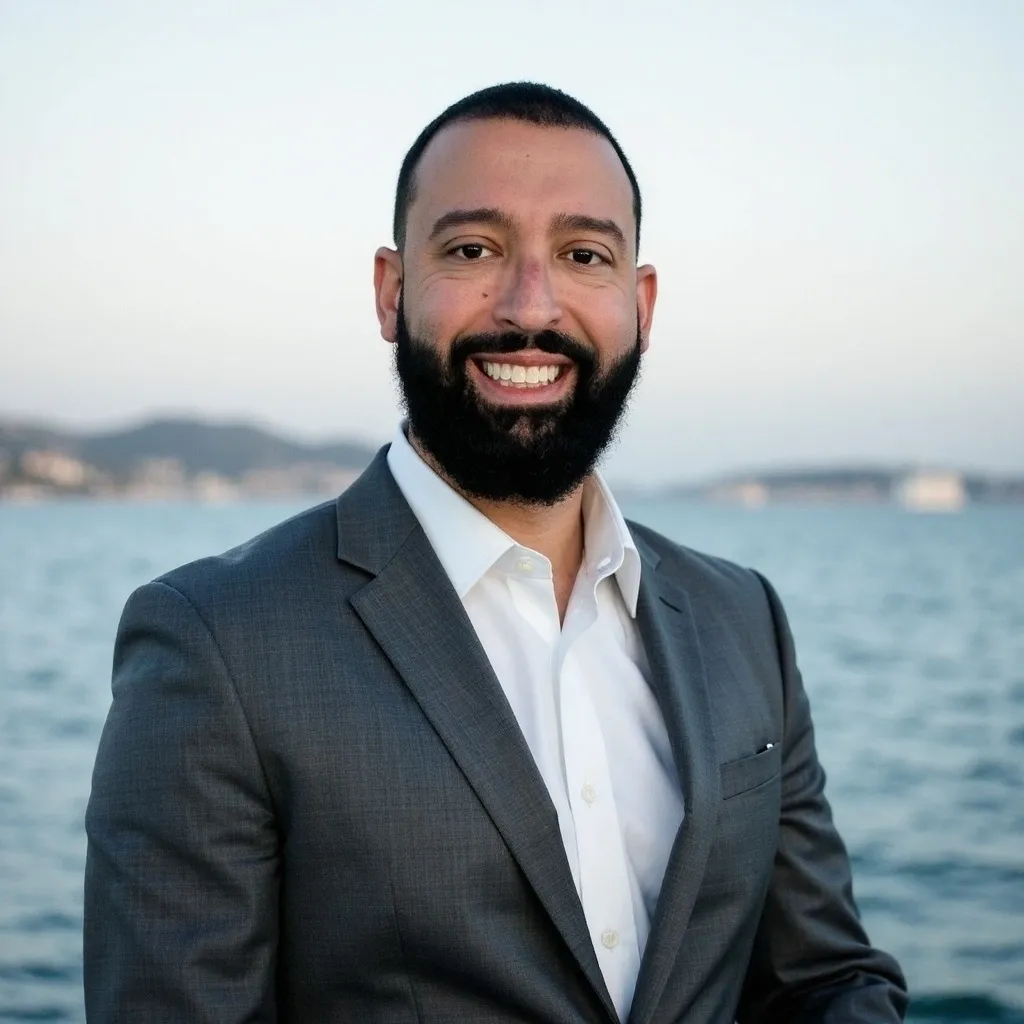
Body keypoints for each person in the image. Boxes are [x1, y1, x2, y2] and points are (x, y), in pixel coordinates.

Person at [84, 82, 907, 1023]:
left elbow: (826, 982)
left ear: (640, 302)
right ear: (393, 292)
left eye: (583, 254)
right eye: (473, 249)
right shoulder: (217, 642)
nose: (531, 305)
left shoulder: (743, 620)